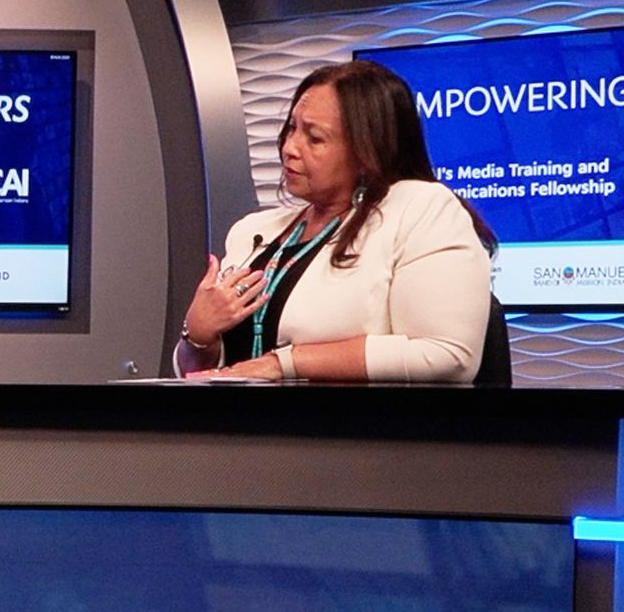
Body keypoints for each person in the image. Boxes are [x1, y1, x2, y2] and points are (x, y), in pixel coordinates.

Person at [176, 59, 499, 383]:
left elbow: (445, 354)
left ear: (366, 152)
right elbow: (198, 374)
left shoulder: (419, 208)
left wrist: (283, 363)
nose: (289, 148)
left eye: (314, 138)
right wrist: (198, 334)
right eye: (291, 129)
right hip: (231, 429)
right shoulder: (253, 232)